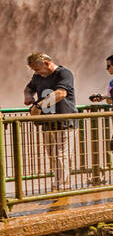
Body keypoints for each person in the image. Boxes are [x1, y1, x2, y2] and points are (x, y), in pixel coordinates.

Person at [24, 53, 76, 191]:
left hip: (64, 121)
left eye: (37, 69)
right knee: (52, 155)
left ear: (47, 63)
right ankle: (58, 182)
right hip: (47, 122)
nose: (36, 73)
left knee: (61, 155)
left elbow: (61, 93)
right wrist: (28, 96)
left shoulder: (64, 73)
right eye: (34, 70)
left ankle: (62, 186)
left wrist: (39, 106)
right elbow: (29, 88)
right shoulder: (37, 77)